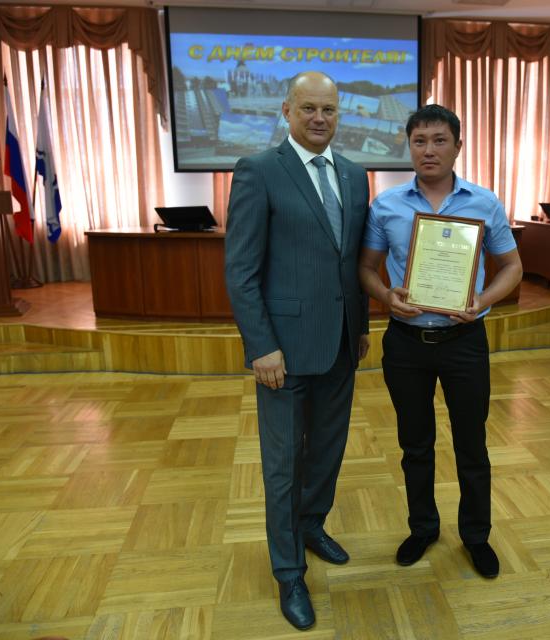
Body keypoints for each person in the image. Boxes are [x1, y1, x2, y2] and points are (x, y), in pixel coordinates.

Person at [225, 71, 370, 631]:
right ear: (286, 111)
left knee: (327, 451)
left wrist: (361, 326)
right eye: (308, 108)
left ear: (338, 115)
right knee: (283, 467)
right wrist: (261, 346)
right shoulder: (258, 170)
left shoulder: (354, 175)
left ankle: (312, 526)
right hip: (281, 354)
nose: (319, 118)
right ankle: (289, 573)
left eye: (328, 110)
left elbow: (351, 262)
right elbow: (241, 270)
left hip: (341, 344)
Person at [358, 104, 522, 579]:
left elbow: (513, 267)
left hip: (464, 340)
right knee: (415, 444)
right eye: (419, 141)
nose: (428, 150)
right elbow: (366, 269)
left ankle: (476, 536)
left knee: (472, 444)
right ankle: (423, 528)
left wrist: (482, 299)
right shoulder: (386, 205)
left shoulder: (484, 203)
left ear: (457, 147)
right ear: (408, 147)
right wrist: (387, 296)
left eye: (439, 140)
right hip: (406, 343)